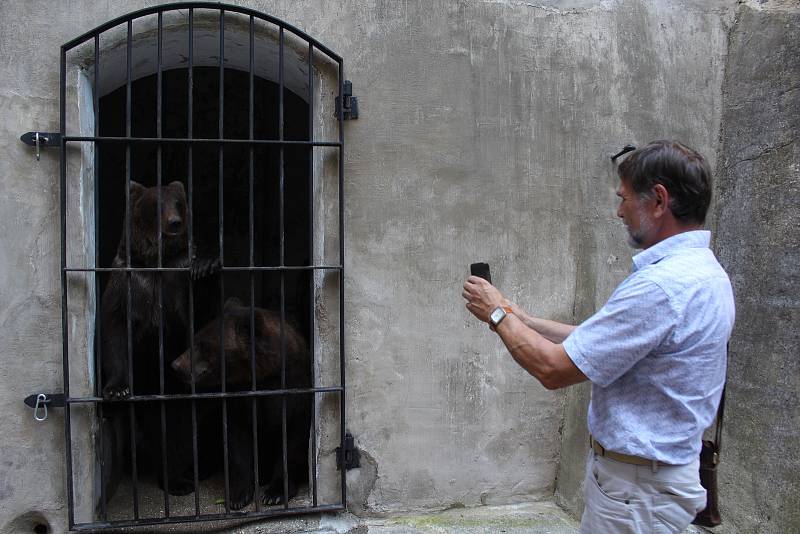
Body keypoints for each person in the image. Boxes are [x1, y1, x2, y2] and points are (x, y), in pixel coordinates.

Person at [462, 140, 735, 533]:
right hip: (651, 484)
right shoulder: (704, 273)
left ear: (658, 201)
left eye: (624, 199)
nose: (618, 211)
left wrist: (498, 314)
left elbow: (553, 370)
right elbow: (604, 343)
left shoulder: (660, 288)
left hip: (636, 495)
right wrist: (525, 319)